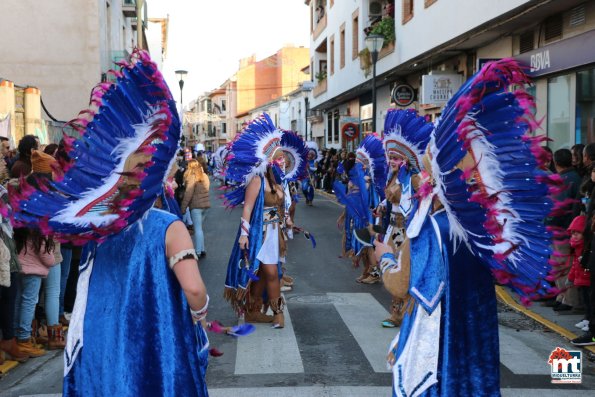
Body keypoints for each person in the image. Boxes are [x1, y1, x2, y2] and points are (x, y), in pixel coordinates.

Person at [7, 50, 210, 395]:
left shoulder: (98, 228)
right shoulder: (168, 226)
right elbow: (193, 289)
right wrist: (201, 313)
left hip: (103, 344)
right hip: (151, 347)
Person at [373, 59, 555, 396]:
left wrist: (384, 257)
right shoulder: (484, 231)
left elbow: (402, 286)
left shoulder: (434, 227)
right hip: (474, 352)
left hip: (437, 351)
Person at [223, 115, 289, 329]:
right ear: (269, 158)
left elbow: (280, 205)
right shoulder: (257, 180)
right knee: (267, 273)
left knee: (268, 273)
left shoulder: (276, 180)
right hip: (258, 234)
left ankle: (264, 312)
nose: (282, 161)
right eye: (279, 158)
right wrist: (244, 235)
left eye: (283, 159)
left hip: (273, 233)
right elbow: (248, 208)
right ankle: (262, 311)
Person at [181, 159, 211, 258]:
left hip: (196, 206)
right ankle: (202, 249)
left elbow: (188, 194)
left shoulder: (192, 177)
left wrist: (183, 207)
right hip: (206, 206)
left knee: (198, 229)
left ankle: (197, 252)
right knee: (200, 229)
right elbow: (207, 189)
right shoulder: (205, 176)